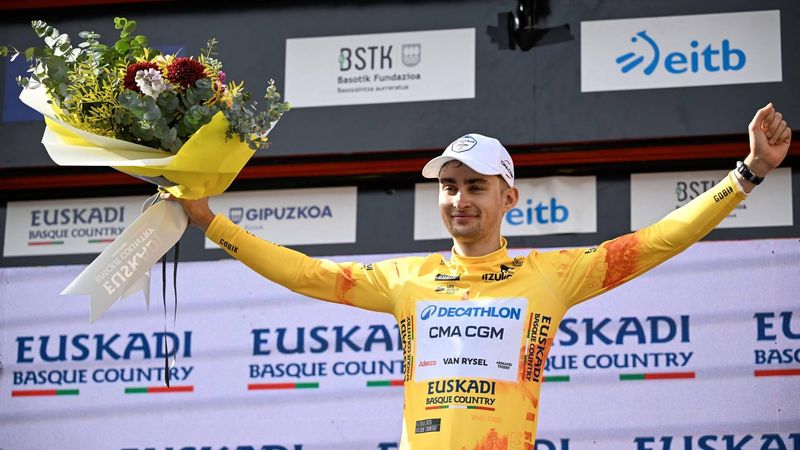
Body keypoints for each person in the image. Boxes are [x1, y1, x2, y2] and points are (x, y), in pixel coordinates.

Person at [171, 104, 791, 449]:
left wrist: (748, 174)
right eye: (447, 187)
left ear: (508, 198)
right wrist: (209, 222)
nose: (458, 199)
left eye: (474, 186)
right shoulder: (404, 278)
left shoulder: (555, 275)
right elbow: (306, 274)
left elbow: (655, 242)